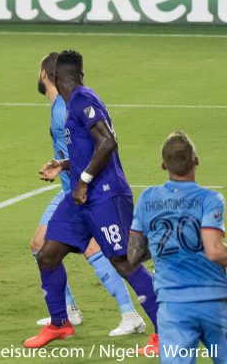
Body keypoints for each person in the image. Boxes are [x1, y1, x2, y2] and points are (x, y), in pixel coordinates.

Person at [25, 50, 159, 354]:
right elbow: (91, 148)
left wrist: (83, 180)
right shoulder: (74, 102)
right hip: (80, 198)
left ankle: (166, 332)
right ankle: (60, 324)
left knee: (124, 261)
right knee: (47, 254)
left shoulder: (83, 100)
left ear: (57, 77)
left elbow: (107, 142)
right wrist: (65, 165)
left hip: (105, 195)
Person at [128, 132, 227, 364]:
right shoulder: (209, 199)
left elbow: (133, 255)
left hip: (173, 307)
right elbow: (214, 251)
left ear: (164, 165)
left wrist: (164, 240)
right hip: (214, 302)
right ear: (196, 160)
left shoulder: (147, 199)